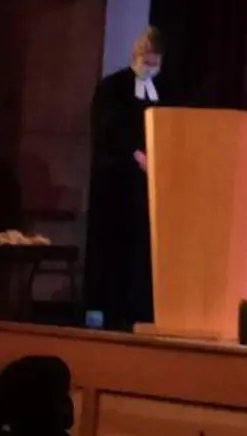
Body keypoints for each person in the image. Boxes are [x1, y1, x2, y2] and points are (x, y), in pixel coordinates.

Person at [84, 28, 167, 330]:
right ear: (136, 56)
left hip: (146, 185)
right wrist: (134, 154)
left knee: (141, 248)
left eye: (155, 64)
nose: (150, 68)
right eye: (147, 62)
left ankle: (138, 308)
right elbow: (107, 129)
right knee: (112, 245)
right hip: (116, 181)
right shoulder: (112, 88)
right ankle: (105, 306)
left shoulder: (161, 93)